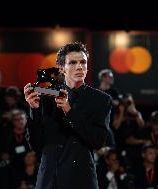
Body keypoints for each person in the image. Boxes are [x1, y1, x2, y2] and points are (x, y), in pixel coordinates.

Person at [24, 42, 112, 189]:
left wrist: (69, 111)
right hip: (50, 179)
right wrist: (33, 110)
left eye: (83, 62)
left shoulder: (101, 100)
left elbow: (98, 141)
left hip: (81, 179)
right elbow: (36, 144)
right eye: (73, 62)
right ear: (62, 68)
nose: (79, 67)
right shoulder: (46, 96)